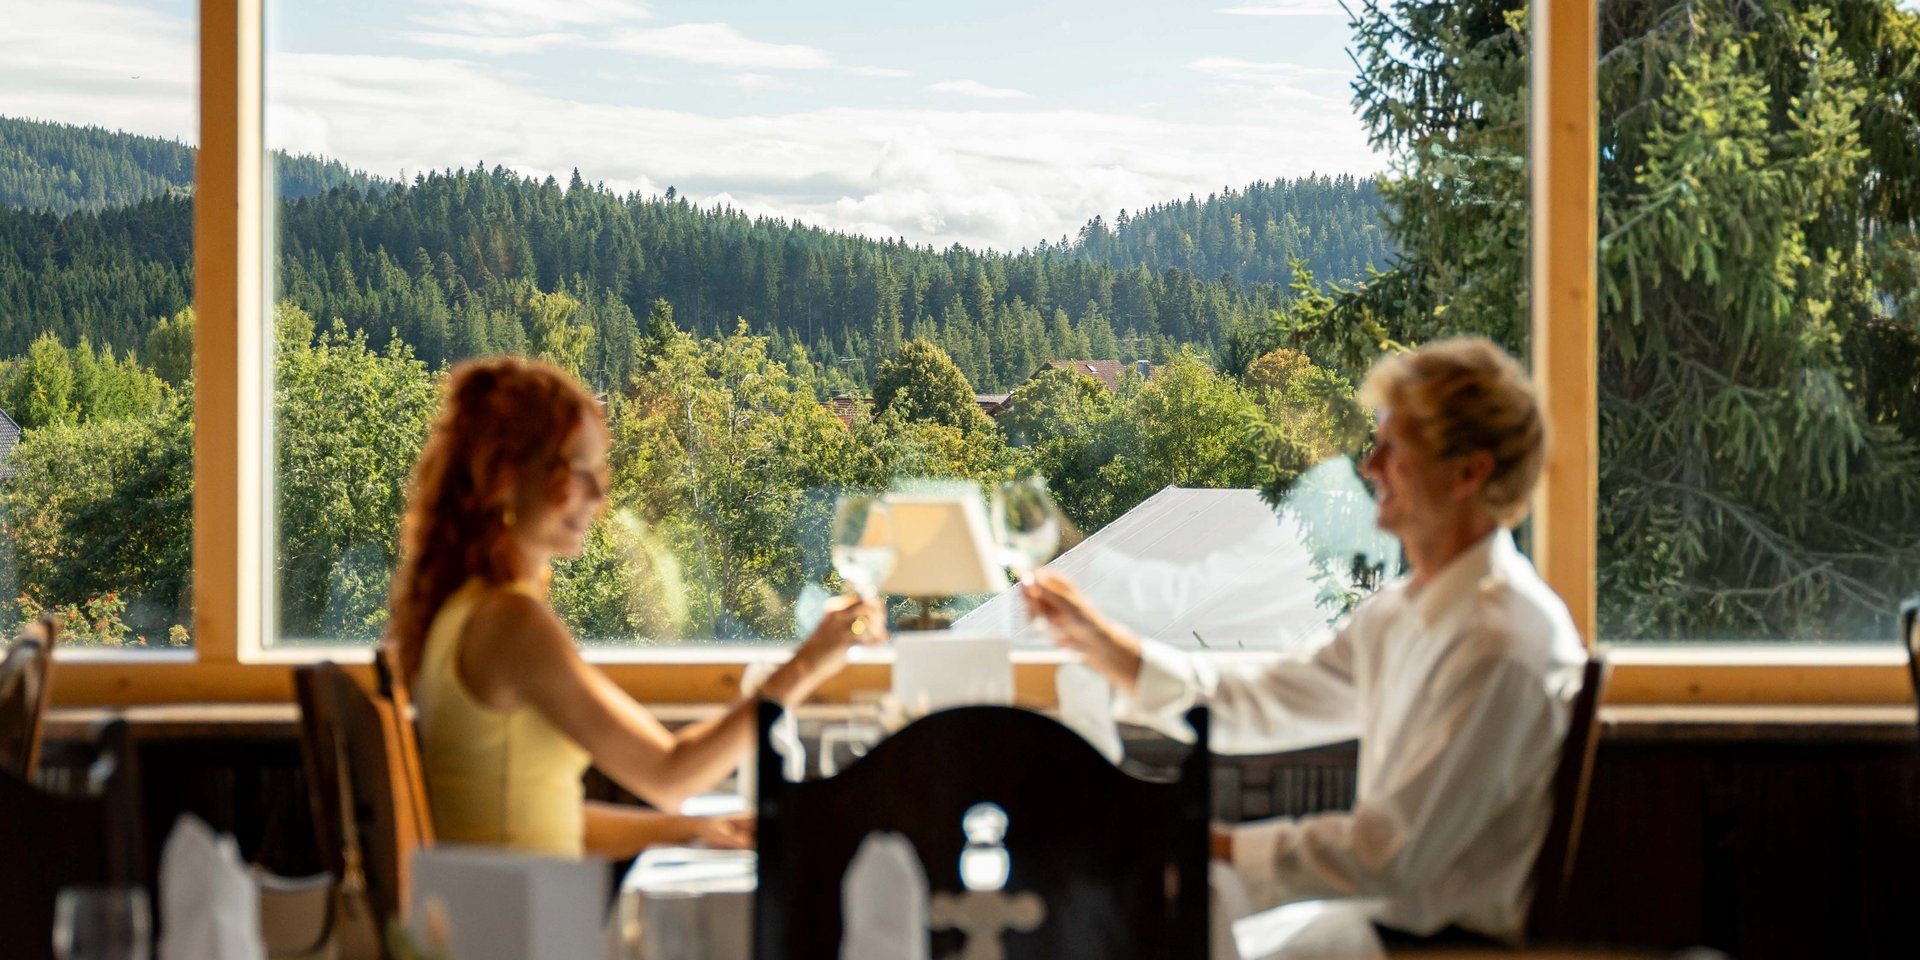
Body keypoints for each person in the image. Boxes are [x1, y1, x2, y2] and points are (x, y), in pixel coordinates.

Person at [1024, 337, 1584, 945]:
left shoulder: (1499, 645)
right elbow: (1272, 693)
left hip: (1424, 946)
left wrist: (1217, 845)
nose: (1369, 466)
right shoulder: (1404, 612)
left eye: (1393, 448)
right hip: (1373, 923)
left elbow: (1387, 855)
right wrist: (1116, 654)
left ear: (1469, 471)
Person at [388, 356, 885, 859]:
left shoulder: (463, 609)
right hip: (523, 928)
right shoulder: (512, 624)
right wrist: (812, 660)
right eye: (579, 470)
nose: (600, 493)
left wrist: (693, 830)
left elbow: (535, 813)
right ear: (507, 477)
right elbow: (672, 775)